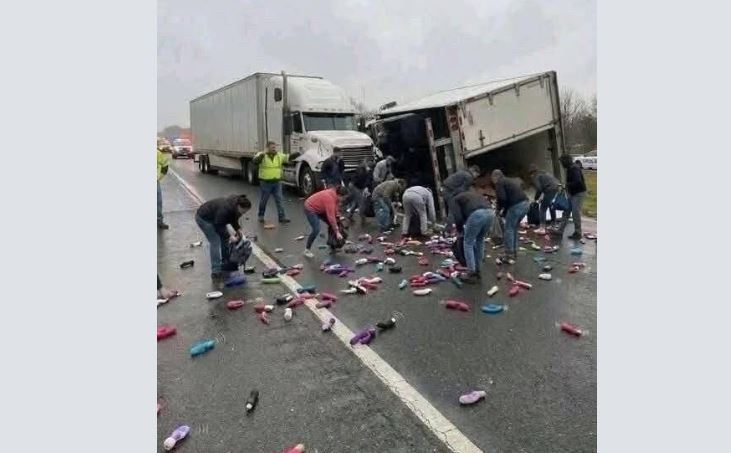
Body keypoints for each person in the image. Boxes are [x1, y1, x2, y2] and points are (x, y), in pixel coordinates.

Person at [195, 194, 252, 280]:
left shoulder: (235, 206)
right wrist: (230, 237)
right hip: (204, 218)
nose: (244, 214)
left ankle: (225, 263)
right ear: (239, 206)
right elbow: (219, 225)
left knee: (224, 238)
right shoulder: (225, 209)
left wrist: (238, 230)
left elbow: (233, 219)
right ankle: (216, 271)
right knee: (215, 241)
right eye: (243, 212)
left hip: (216, 218)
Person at [452, 185, 494, 283]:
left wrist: (459, 230)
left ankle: (471, 272)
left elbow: (458, 217)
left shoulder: (456, 199)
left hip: (477, 214)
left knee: (468, 243)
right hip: (490, 213)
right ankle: (478, 269)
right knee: (480, 240)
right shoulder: (473, 195)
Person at [252, 141, 300, 223]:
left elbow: (288, 157)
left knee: (279, 200)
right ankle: (261, 216)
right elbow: (255, 161)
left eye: (275, 147)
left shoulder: (279, 155)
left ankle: (282, 217)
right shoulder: (261, 155)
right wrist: (263, 154)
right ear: (267, 148)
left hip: (277, 182)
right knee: (264, 200)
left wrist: (297, 154)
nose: (274, 149)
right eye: (272, 147)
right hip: (265, 182)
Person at [491, 169, 529, 263]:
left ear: (495, 177)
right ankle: (514, 250)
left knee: (509, 229)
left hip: (516, 206)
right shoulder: (509, 181)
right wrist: (504, 212)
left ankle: (509, 254)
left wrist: (499, 210)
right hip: (525, 204)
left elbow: (502, 198)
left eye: (492, 178)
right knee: (514, 228)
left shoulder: (499, 183)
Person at [303, 185, 350, 258]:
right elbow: (331, 217)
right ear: (340, 195)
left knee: (336, 222)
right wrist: (337, 232)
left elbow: (335, 207)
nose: (344, 200)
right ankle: (307, 250)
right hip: (310, 208)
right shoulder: (329, 199)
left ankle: (333, 245)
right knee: (316, 229)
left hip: (320, 207)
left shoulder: (335, 195)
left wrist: (338, 216)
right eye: (344, 198)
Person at [556, 154, 587, 240]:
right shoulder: (570, 168)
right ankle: (560, 231)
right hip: (573, 193)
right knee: (566, 211)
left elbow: (578, 182)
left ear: (566, 161)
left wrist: (567, 185)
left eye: (562, 162)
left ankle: (578, 233)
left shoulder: (574, 168)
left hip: (578, 193)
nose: (561, 164)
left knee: (575, 213)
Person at [442, 165, 481, 230]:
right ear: (474, 172)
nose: (476, 177)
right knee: (454, 210)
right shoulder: (469, 177)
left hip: (445, 188)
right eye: (476, 175)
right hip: (449, 191)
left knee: (453, 209)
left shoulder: (463, 172)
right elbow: (462, 190)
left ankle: (451, 227)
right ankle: (449, 229)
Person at [529, 164, 560, 234]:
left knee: (542, 208)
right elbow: (544, 186)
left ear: (532, 172)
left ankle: (542, 228)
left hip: (550, 189)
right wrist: (542, 197)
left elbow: (539, 189)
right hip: (556, 187)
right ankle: (553, 224)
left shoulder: (536, 176)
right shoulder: (543, 172)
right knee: (551, 205)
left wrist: (535, 198)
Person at [347, 157, 374, 221]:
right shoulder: (361, 168)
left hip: (358, 186)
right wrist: (366, 171)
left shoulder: (366, 170)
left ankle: (350, 215)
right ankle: (362, 216)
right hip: (355, 186)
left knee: (357, 201)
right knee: (361, 201)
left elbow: (368, 180)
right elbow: (360, 178)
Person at [157, 148, 170, 230]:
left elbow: (165, 165)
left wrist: (159, 177)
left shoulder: (157, 153)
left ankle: (159, 221)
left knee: (158, 202)